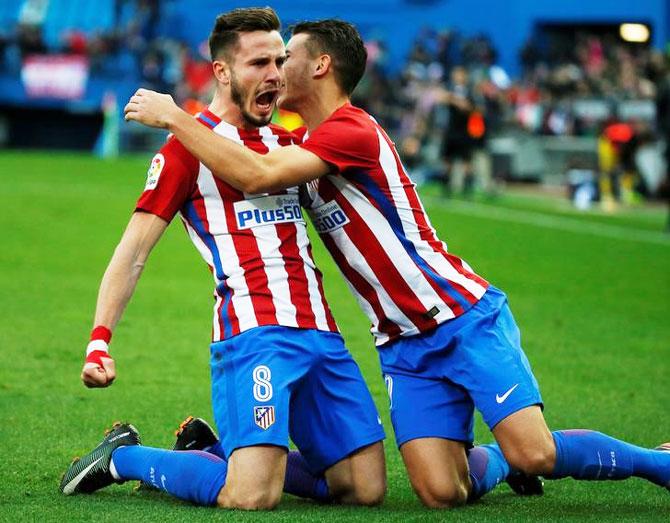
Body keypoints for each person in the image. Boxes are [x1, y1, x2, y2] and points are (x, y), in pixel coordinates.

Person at [124, 19, 670, 509]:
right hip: (403, 343)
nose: (275, 67)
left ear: (320, 65)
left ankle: (657, 462)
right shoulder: (301, 141)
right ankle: (499, 461)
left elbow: (257, 176)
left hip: (459, 315)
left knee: (536, 453)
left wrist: (175, 116)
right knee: (440, 491)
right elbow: (242, 156)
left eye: (285, 56)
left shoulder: (351, 130)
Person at [60, 8, 386, 510]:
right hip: (253, 333)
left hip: (321, 333)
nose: (275, 75)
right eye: (258, 63)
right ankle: (122, 457)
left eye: (279, 61)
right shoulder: (182, 152)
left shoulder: (290, 144)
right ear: (222, 71)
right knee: (252, 495)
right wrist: (99, 339)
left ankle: (210, 452)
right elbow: (132, 253)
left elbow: (282, 181)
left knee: (363, 490)